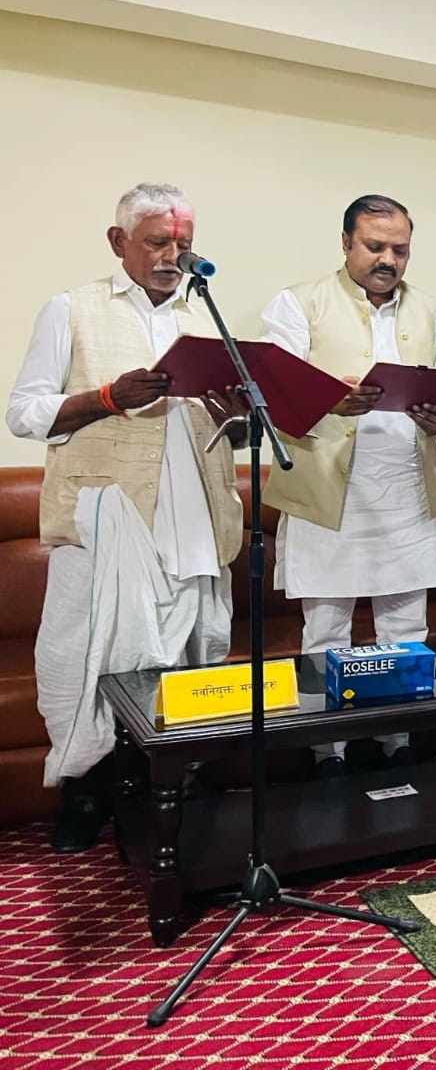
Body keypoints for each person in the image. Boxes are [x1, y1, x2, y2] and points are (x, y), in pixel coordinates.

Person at [6, 183, 243, 852]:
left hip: (194, 510)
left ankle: (169, 787)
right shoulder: (71, 309)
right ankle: (86, 792)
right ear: (119, 243)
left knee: (187, 651)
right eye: (158, 242)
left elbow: (227, 427)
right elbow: (23, 413)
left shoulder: (206, 319)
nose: (173, 255)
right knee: (88, 652)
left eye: (184, 243)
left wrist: (232, 413)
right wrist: (108, 398)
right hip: (107, 513)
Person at [260, 195, 436, 777]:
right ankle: (328, 754)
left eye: (400, 250)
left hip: (408, 495)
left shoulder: (430, 310)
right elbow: (269, 399)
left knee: (406, 628)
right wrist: (330, 401)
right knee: (327, 629)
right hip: (328, 496)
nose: (388, 260)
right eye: (375, 246)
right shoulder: (298, 304)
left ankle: (400, 741)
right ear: (346, 243)